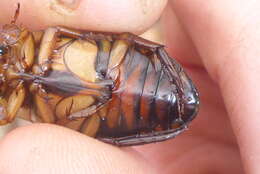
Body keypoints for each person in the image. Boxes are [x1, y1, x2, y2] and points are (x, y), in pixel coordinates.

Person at [0, 0, 258, 173]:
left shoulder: (25, 46)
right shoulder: (16, 98)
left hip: (126, 74)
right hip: (103, 98)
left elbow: (36, 33)